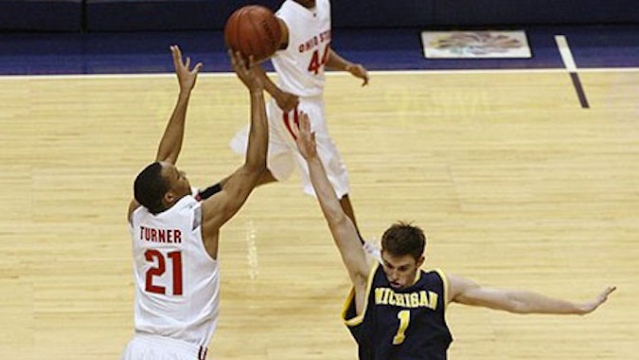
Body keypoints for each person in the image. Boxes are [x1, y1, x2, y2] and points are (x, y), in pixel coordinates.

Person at [293, 112, 617, 360]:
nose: (393, 274)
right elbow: (336, 218)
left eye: (402, 268)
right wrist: (312, 160)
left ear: (420, 261)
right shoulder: (368, 275)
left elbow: (513, 300)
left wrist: (577, 307)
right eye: (390, 265)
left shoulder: (442, 286)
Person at [122, 46, 268, 360]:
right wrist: (257, 92)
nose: (184, 172)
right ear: (169, 196)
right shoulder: (199, 221)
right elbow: (254, 166)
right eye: (179, 177)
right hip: (181, 349)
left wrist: (184, 93)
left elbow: (162, 160)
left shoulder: (138, 215)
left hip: (139, 347)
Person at [209, 0, 370, 230]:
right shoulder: (282, 22)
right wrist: (276, 93)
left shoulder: (323, 5)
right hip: (297, 110)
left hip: (301, 106)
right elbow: (247, 60)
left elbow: (318, 50)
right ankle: (361, 249)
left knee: (266, 170)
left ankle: (202, 198)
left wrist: (347, 66)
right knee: (334, 181)